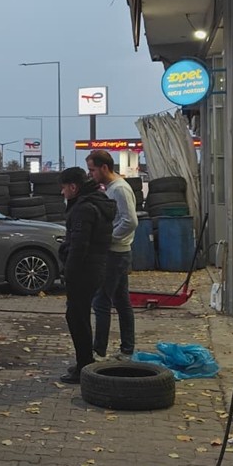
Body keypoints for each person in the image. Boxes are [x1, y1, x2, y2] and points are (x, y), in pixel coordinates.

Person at [57, 166, 116, 384]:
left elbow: (79, 246)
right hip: (96, 267)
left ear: (73, 187)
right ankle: (85, 361)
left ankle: (84, 364)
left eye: (63, 188)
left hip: (84, 271)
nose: (62, 193)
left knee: (76, 317)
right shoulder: (99, 202)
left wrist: (68, 273)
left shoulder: (84, 209)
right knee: (79, 316)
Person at [86, 150, 138, 360]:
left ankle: (99, 351)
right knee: (121, 301)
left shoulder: (119, 190)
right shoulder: (112, 188)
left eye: (92, 170)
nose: (90, 175)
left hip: (115, 253)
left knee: (101, 301)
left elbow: (130, 221)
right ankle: (127, 349)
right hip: (119, 252)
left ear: (104, 168)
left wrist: (108, 239)